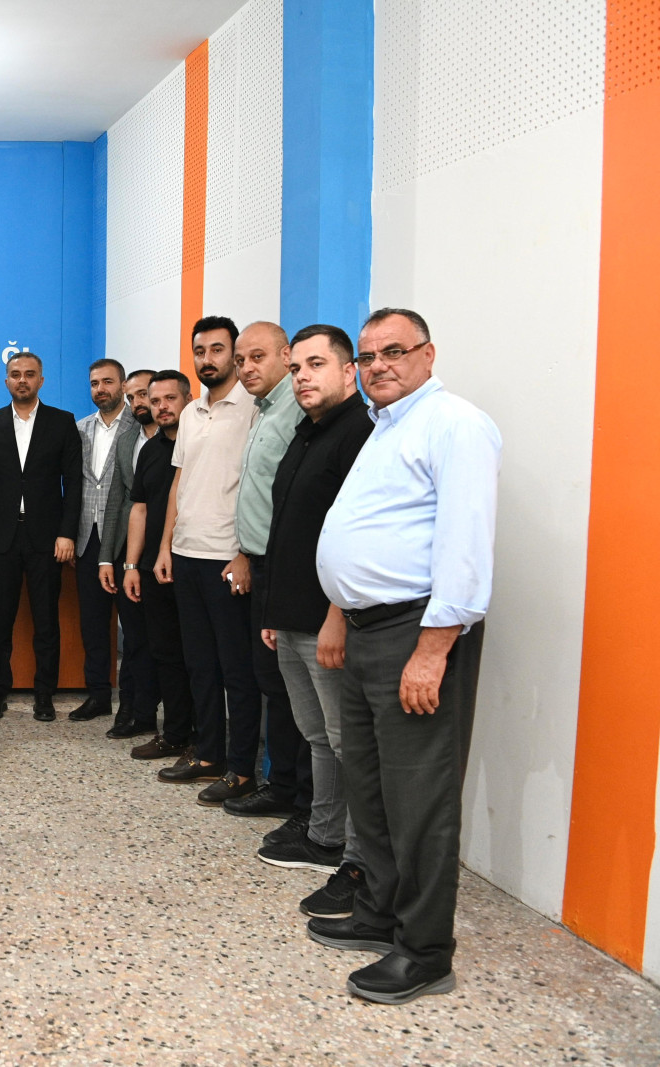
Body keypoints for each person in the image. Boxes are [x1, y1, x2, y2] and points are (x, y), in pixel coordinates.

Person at [308, 308, 499, 1005]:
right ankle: (380, 913)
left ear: (428, 354)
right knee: (371, 788)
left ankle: (424, 952)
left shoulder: (455, 424)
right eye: (368, 356)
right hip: (366, 632)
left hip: (414, 634)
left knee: (420, 800)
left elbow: (465, 545)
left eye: (394, 351)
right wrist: (339, 612)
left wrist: (433, 649)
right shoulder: (388, 426)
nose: (378, 365)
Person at [256, 324, 373, 918]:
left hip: (327, 620)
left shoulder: (359, 434)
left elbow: (355, 540)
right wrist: (274, 609)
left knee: (344, 740)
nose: (303, 376)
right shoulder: (308, 431)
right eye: (297, 366)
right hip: (292, 615)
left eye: (317, 364)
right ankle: (324, 835)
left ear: (349, 371)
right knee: (317, 735)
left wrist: (336, 617)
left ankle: (356, 855)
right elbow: (289, 528)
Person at [151, 316, 263, 804]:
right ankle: (208, 754)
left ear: (233, 355)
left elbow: (258, 486)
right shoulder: (193, 412)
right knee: (200, 664)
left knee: (236, 669)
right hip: (186, 554)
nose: (207, 359)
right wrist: (165, 547)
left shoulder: (254, 409)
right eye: (200, 351)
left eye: (217, 350)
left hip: (226, 560)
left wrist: (244, 553)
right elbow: (180, 481)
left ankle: (242, 768)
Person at [223, 321, 312, 821]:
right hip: (259, 562)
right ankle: (282, 786)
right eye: (241, 360)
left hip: (284, 568)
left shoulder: (296, 410)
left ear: (285, 355)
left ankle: (296, 795)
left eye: (257, 357)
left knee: (287, 686)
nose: (246, 368)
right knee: (272, 680)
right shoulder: (265, 410)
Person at [0, 352, 83, 722]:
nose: (22, 380)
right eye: (16, 374)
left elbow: (74, 483)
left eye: (30, 374)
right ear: (6, 381)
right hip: (0, 539)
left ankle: (44, 695)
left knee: (46, 622)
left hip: (47, 540)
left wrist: (67, 533)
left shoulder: (62, 422)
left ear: (41, 380)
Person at [100, 371, 197, 763]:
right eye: (155, 402)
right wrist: (131, 564)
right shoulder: (150, 450)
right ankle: (173, 734)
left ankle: (203, 739)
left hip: (191, 563)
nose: (161, 407)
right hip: (151, 569)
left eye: (168, 399)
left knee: (197, 657)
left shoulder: (200, 443)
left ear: (188, 399)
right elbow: (137, 509)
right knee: (164, 653)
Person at [72, 360, 160, 736]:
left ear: (121, 385)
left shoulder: (139, 425)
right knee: (93, 624)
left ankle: (132, 703)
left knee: (134, 630)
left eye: (108, 382)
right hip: (87, 538)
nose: (100, 389)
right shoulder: (79, 429)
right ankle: (97, 695)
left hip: (129, 542)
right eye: (94, 383)